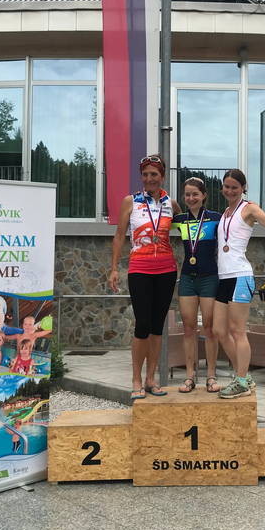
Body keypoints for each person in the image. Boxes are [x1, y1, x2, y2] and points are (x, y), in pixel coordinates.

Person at [212, 169, 265, 399]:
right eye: (227, 187)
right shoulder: (225, 212)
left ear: (243, 188)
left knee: (238, 331)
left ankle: (240, 380)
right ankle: (244, 376)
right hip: (224, 277)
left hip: (240, 276)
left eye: (235, 187)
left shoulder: (249, 208)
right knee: (219, 330)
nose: (230, 191)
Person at [108, 155, 181, 400]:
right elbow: (119, 235)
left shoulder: (171, 203)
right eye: (146, 174)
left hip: (166, 270)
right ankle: (136, 379)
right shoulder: (130, 201)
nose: (150, 179)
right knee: (142, 325)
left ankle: (151, 379)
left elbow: (187, 227)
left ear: (162, 177)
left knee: (157, 327)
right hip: (140, 268)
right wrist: (114, 268)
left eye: (154, 174)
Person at [172, 177, 222, 393]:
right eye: (187, 194)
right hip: (187, 279)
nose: (191, 198)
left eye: (195, 194)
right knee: (188, 328)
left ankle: (211, 376)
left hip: (209, 277)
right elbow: (165, 212)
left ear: (204, 196)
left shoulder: (216, 218)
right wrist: (172, 203)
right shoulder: (180, 220)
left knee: (209, 328)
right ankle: (190, 376)